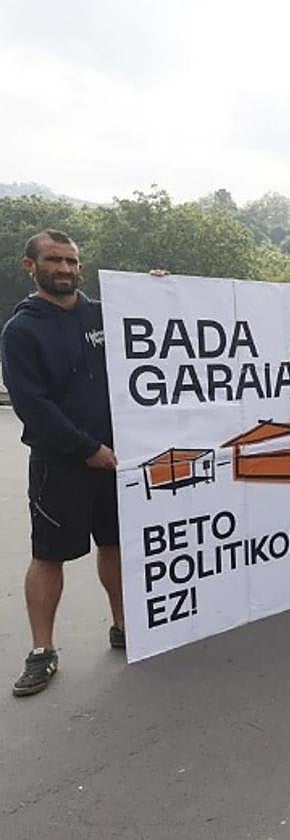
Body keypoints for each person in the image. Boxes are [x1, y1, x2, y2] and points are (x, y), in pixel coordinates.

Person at [1, 230, 124, 697]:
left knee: (114, 546)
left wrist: (160, 289)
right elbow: (32, 406)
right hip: (62, 466)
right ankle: (42, 651)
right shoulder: (21, 330)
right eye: (54, 260)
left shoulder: (102, 315)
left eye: (72, 261)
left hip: (114, 461)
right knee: (49, 556)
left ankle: (123, 627)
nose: (66, 269)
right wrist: (87, 448)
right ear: (30, 266)